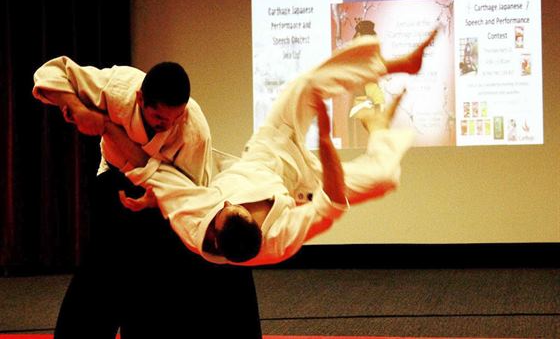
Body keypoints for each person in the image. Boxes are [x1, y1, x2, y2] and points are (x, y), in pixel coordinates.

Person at [103, 28, 439, 266]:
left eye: (226, 208)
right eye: (239, 210)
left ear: (215, 225)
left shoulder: (195, 218)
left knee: (305, 86)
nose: (232, 204)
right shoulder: (279, 242)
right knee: (383, 177)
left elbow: (151, 170)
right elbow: (334, 201)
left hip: (267, 154)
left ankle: (397, 65)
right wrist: (323, 140)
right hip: (305, 188)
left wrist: (103, 125)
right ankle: (379, 128)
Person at [32, 59, 261, 337]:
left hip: (169, 193)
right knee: (104, 266)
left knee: (196, 266)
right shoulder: (120, 88)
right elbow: (52, 72)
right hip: (116, 177)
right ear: (141, 99)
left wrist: (154, 199)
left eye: (177, 116)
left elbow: (184, 194)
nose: (170, 124)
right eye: (161, 119)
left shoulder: (193, 132)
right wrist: (79, 108)